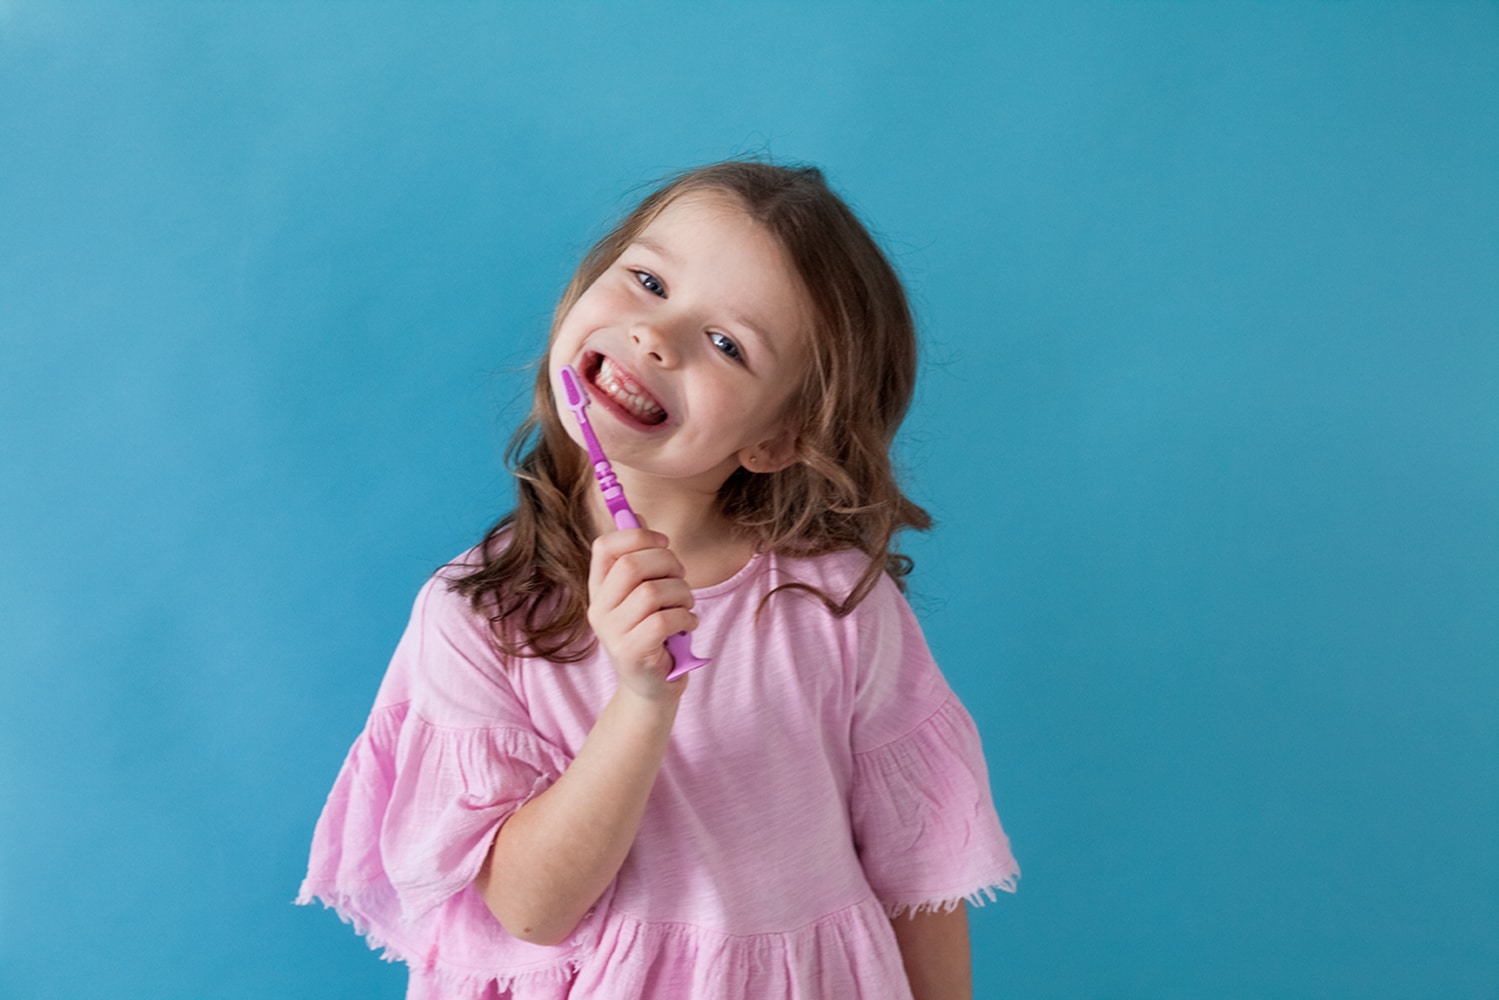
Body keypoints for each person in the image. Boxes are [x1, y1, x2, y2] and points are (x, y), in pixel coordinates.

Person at [297, 160, 1018, 999]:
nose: (654, 337)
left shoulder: (839, 606)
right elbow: (533, 909)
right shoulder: (480, 618)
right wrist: (642, 701)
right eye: (646, 281)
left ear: (776, 441)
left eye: (726, 344)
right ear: (582, 290)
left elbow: (919, 877)